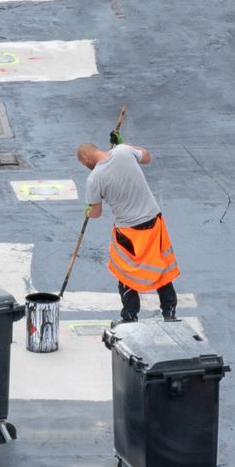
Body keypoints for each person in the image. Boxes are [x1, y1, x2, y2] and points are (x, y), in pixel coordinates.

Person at [77, 128, 180, 323]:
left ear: (86, 160)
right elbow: (147, 157)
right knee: (160, 267)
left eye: (84, 164)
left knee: (125, 271)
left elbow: (96, 213)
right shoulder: (123, 151)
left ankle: (130, 315)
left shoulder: (94, 178)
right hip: (153, 221)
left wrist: (87, 210)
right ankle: (170, 312)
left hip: (128, 230)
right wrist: (124, 144)